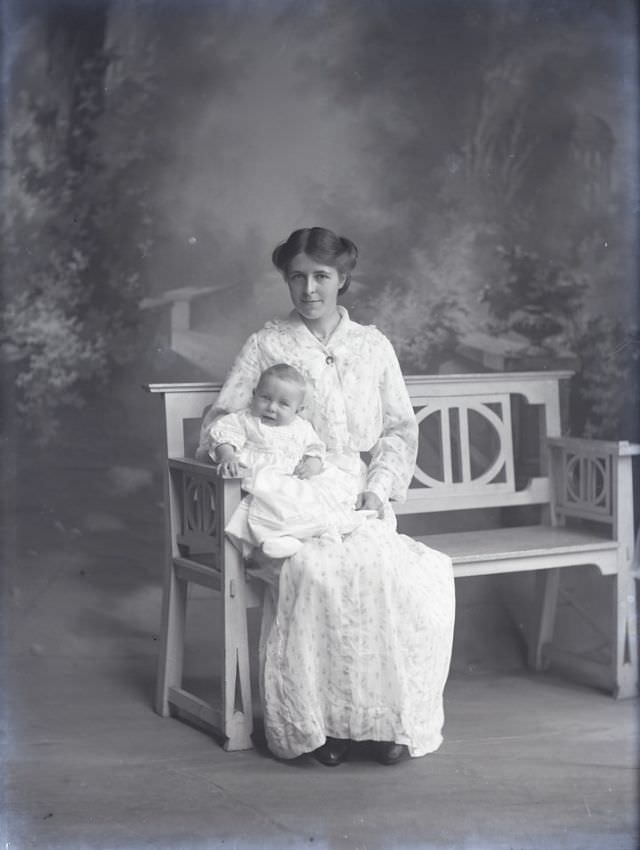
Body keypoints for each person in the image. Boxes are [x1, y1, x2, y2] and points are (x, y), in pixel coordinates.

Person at [198, 226, 455, 766]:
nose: (309, 289)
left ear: (343, 280)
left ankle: (386, 723)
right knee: (316, 573)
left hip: (355, 497)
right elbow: (224, 419)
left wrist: (378, 490)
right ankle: (324, 727)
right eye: (297, 277)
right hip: (288, 507)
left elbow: (398, 431)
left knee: (391, 570)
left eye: (321, 276)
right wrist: (254, 464)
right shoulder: (267, 344)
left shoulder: (371, 345)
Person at [209, 363, 371, 559]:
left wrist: (312, 464)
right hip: (264, 480)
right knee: (272, 504)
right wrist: (228, 455)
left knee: (315, 500)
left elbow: (315, 449)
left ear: (298, 409)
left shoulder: (301, 428)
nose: (271, 407)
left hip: (294, 478)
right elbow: (224, 436)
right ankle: (277, 539)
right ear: (254, 394)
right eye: (265, 398)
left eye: (283, 404)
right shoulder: (245, 420)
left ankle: (319, 533)